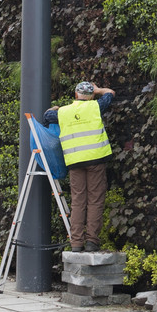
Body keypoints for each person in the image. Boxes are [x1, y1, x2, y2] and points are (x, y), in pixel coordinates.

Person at [43, 81, 115, 252]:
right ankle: (92, 241)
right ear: (90, 96)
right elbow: (110, 93)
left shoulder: (63, 112)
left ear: (76, 95)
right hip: (96, 160)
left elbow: (47, 116)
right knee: (95, 201)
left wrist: (55, 107)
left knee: (78, 201)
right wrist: (98, 90)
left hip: (75, 162)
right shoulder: (96, 107)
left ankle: (76, 243)